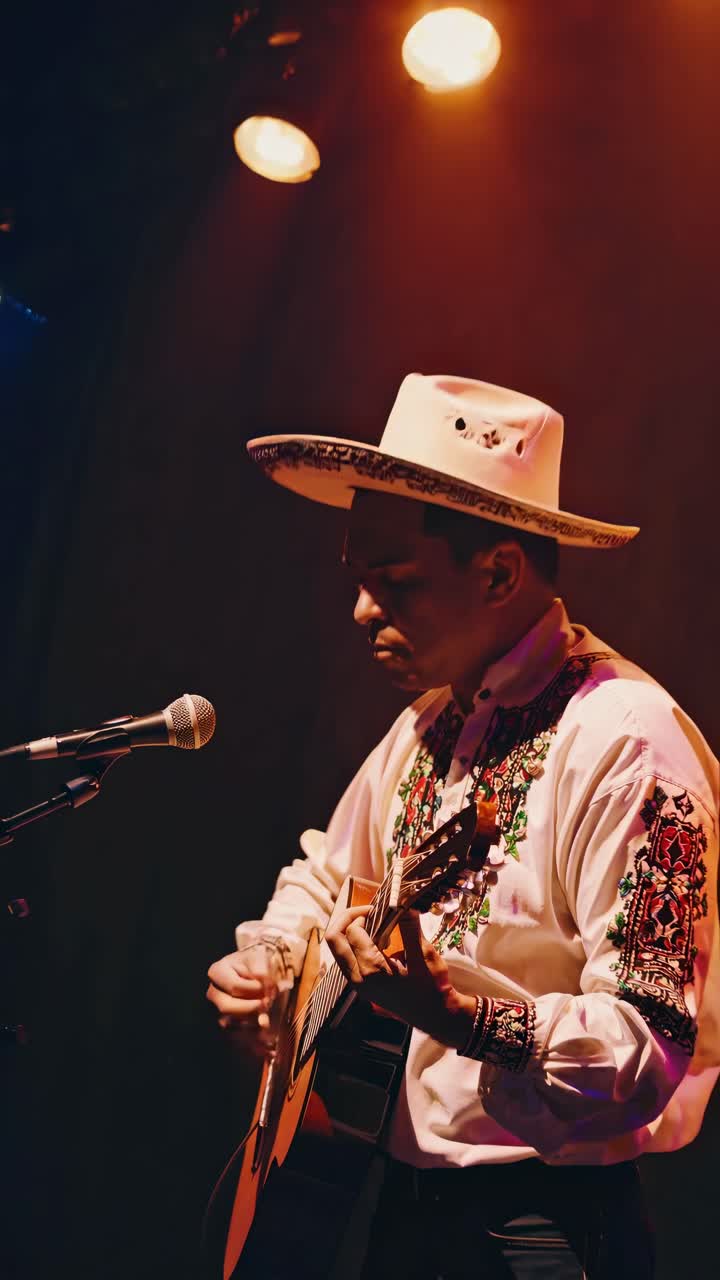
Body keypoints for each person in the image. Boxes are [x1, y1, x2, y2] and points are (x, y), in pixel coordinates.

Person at [207, 374, 719, 1278]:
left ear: (498, 573)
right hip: (406, 1207)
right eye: (359, 580)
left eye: (394, 581)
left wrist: (465, 1018)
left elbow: (648, 1045)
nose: (362, 611)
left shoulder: (629, 741)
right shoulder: (431, 726)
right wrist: (276, 969)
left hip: (543, 1232)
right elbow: (328, 873)